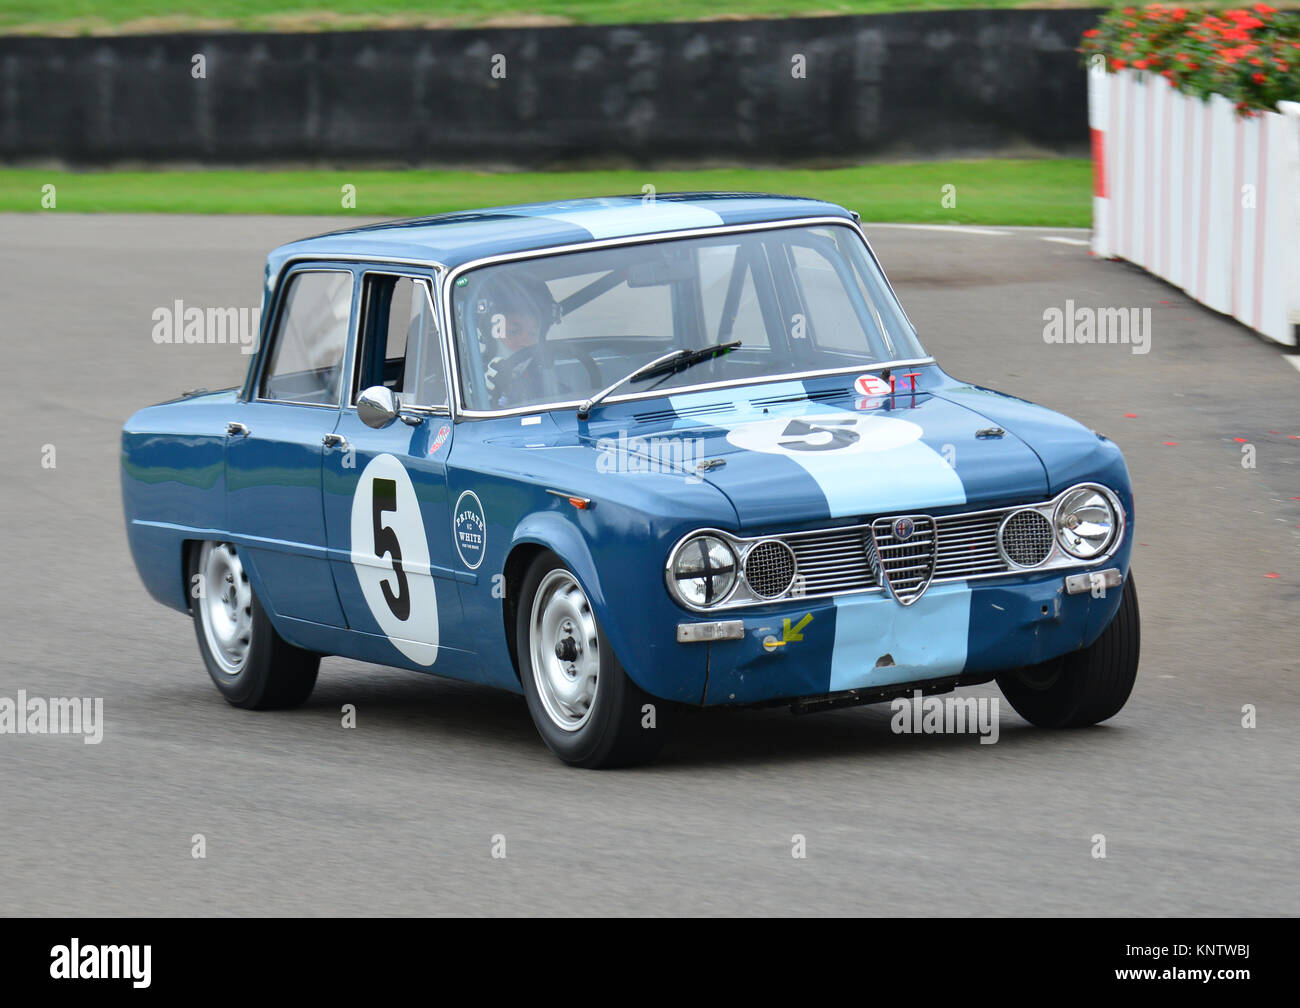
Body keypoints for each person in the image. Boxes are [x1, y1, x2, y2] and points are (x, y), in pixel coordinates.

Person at [474, 271, 557, 408]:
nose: (524, 342)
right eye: (513, 331)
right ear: (487, 334)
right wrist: (479, 397)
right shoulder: (460, 384)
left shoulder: (548, 384)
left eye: (532, 334)